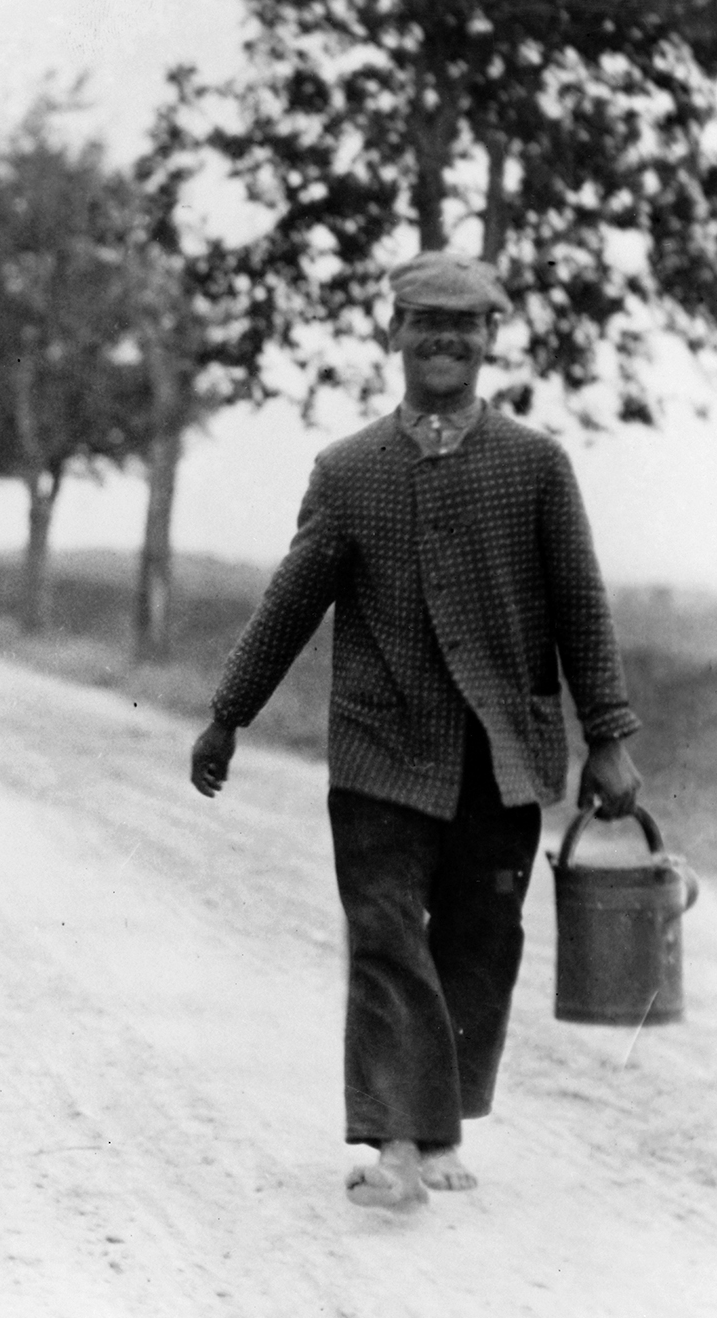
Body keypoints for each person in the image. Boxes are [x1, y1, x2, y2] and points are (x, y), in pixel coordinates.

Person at [189, 251, 642, 1210]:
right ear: (394, 333)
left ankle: (439, 1126)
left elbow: (580, 603)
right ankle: (396, 1142)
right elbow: (290, 603)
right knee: (386, 936)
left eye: (464, 325)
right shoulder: (348, 470)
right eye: (426, 322)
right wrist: (228, 716)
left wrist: (608, 733)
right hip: (380, 750)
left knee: (482, 939)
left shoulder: (535, 466)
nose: (445, 340)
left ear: (488, 339)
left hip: (501, 755)